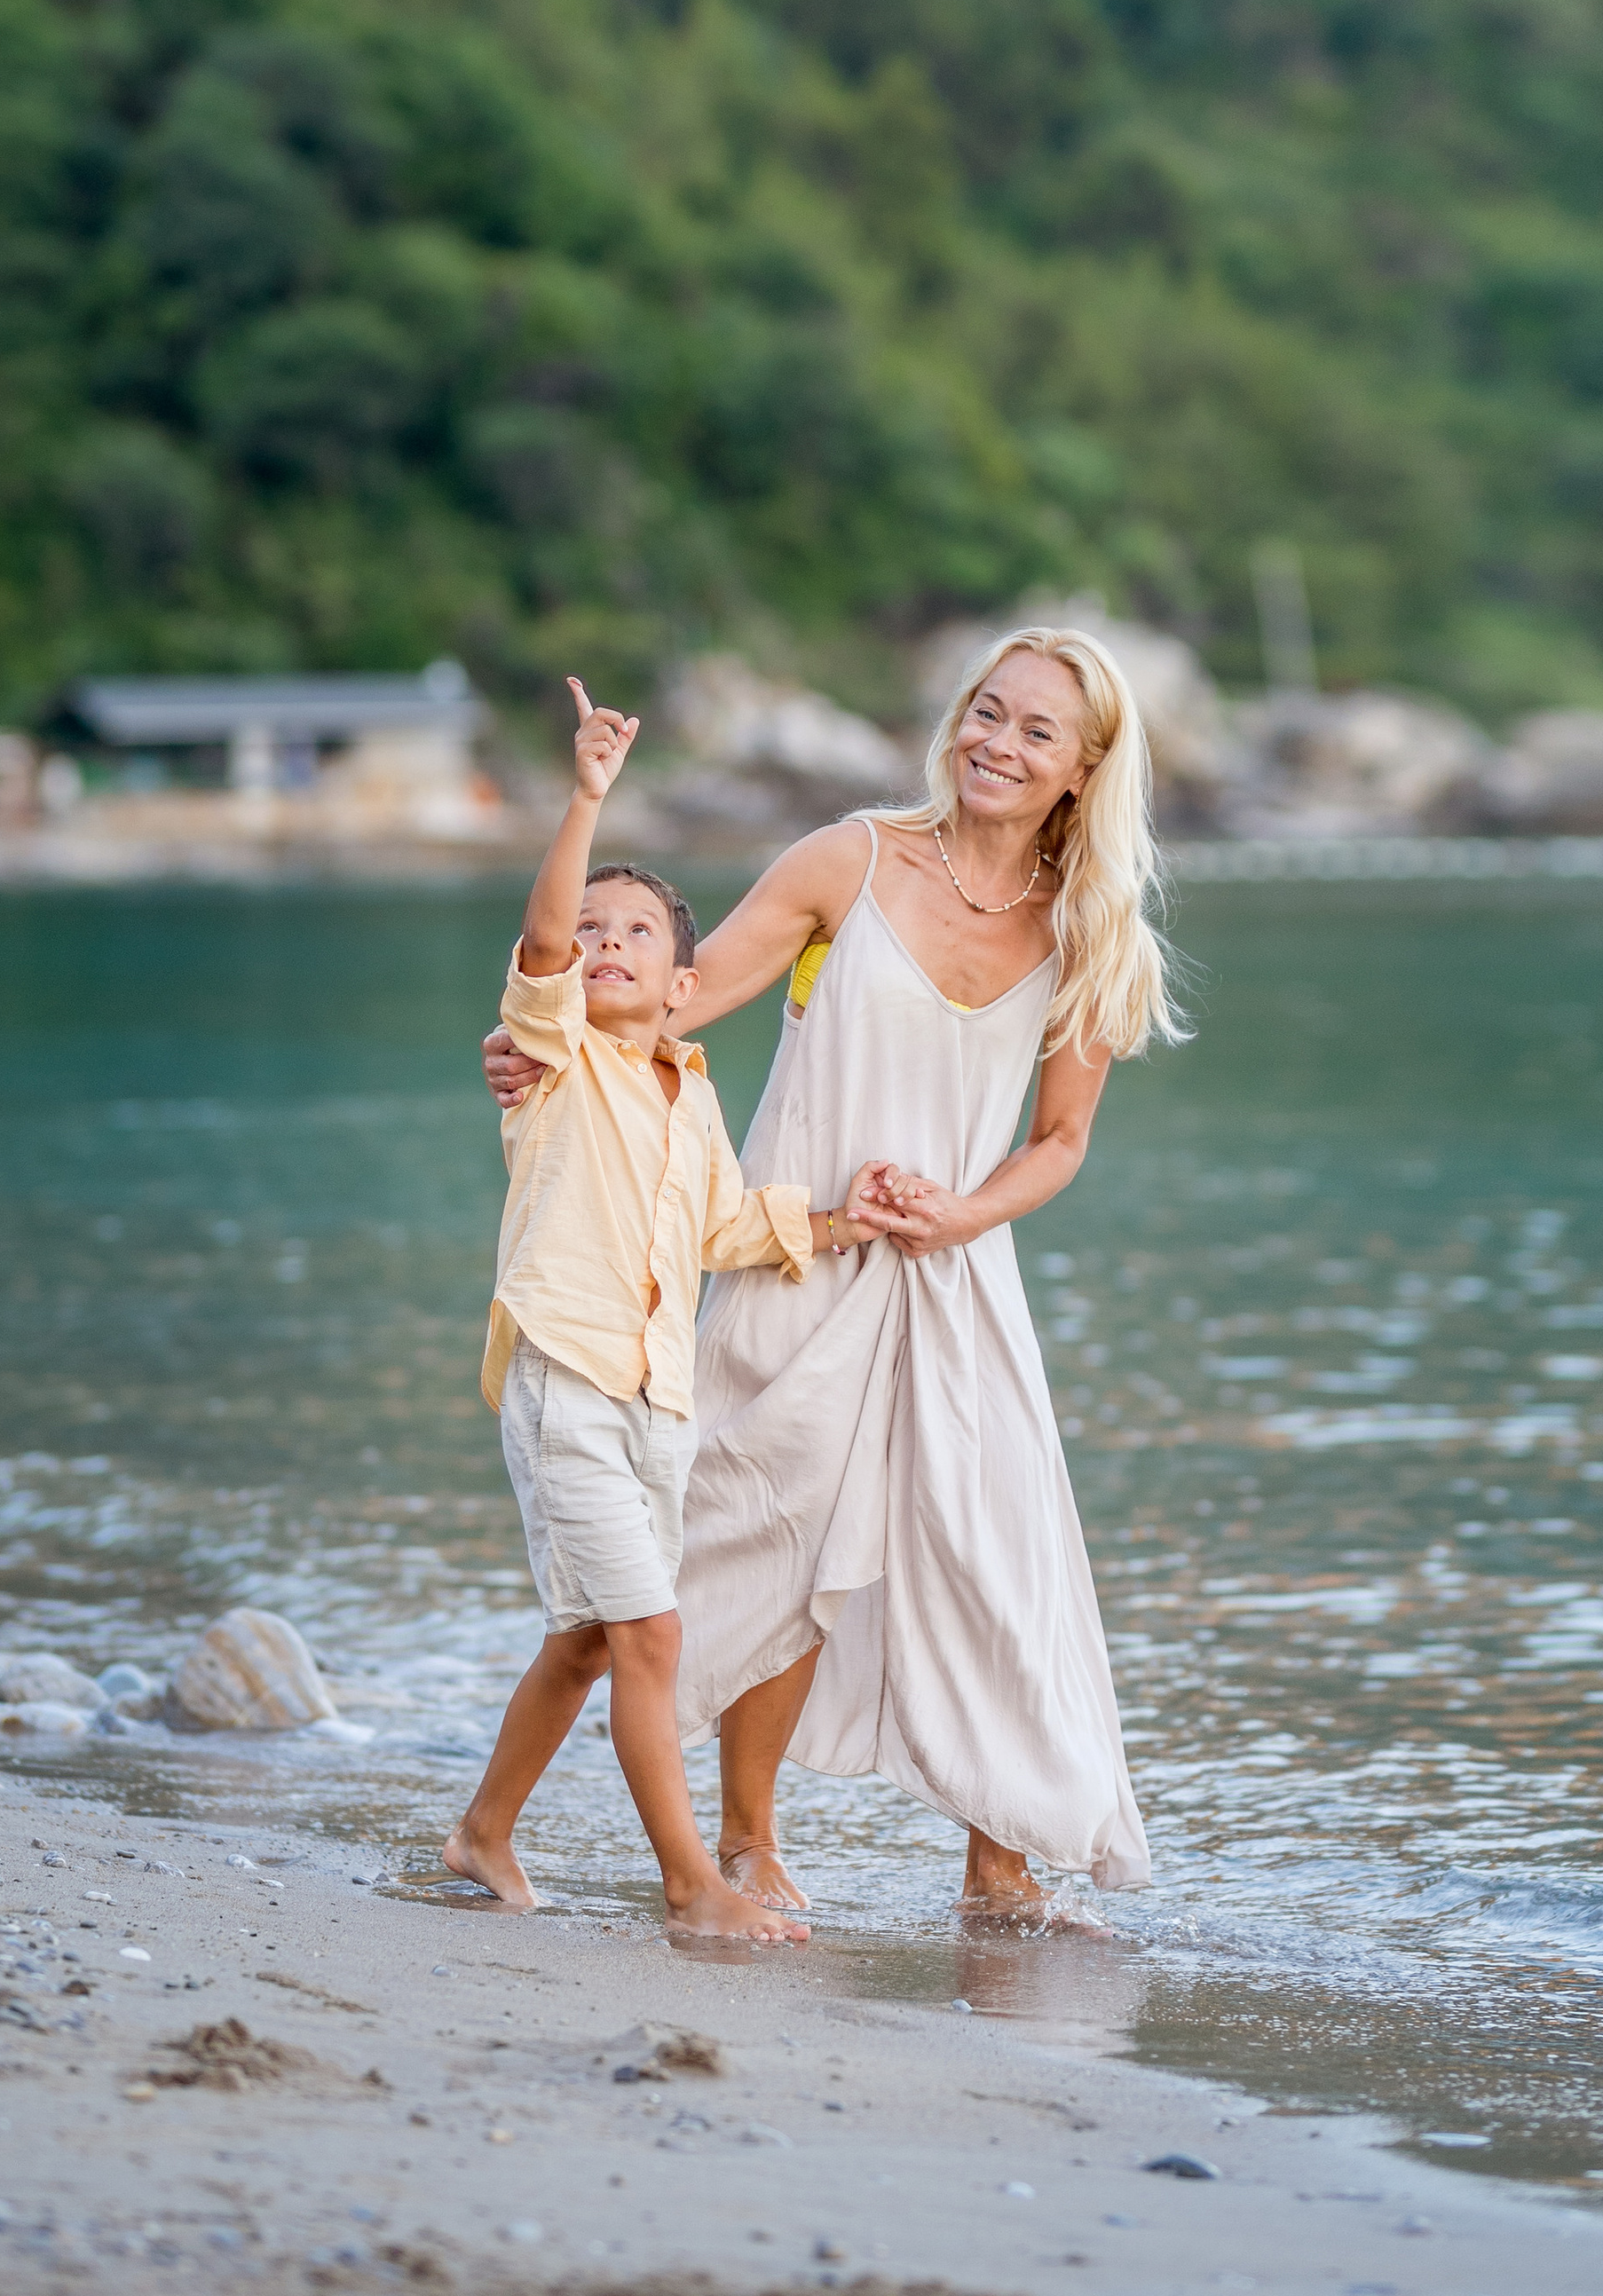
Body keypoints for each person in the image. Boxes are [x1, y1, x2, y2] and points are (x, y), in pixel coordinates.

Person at [485, 626, 1184, 1920]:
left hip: (959, 1277)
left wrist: (964, 1214)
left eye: (1037, 731)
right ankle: (744, 1843)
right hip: (795, 1252)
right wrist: (547, 1041)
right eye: (987, 711)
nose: (998, 743)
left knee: (994, 1556)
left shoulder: (1089, 929)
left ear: (1083, 772)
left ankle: (1000, 1856)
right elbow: (673, 1001)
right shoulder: (847, 860)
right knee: (767, 1540)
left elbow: (1063, 1142)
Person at [446, 675, 893, 1939]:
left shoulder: (688, 1093)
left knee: (591, 1640)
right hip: (566, 1380)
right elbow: (540, 945)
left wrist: (847, 1213)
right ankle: (693, 1885)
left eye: (636, 933)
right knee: (648, 1634)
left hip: (655, 1401)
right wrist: (587, 796)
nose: (605, 946)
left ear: (685, 977)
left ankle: (483, 1834)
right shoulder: (549, 1057)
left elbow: (721, 1229)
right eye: (592, 932)